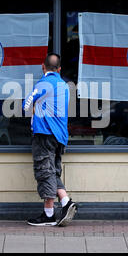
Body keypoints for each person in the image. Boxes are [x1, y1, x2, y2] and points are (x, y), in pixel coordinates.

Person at [23, 52, 77, 226]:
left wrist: (32, 109)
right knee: (52, 172)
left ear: (42, 66)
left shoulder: (45, 82)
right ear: (59, 69)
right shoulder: (64, 85)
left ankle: (51, 213)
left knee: (44, 172)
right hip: (60, 135)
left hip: (45, 134)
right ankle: (62, 203)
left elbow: (27, 103)